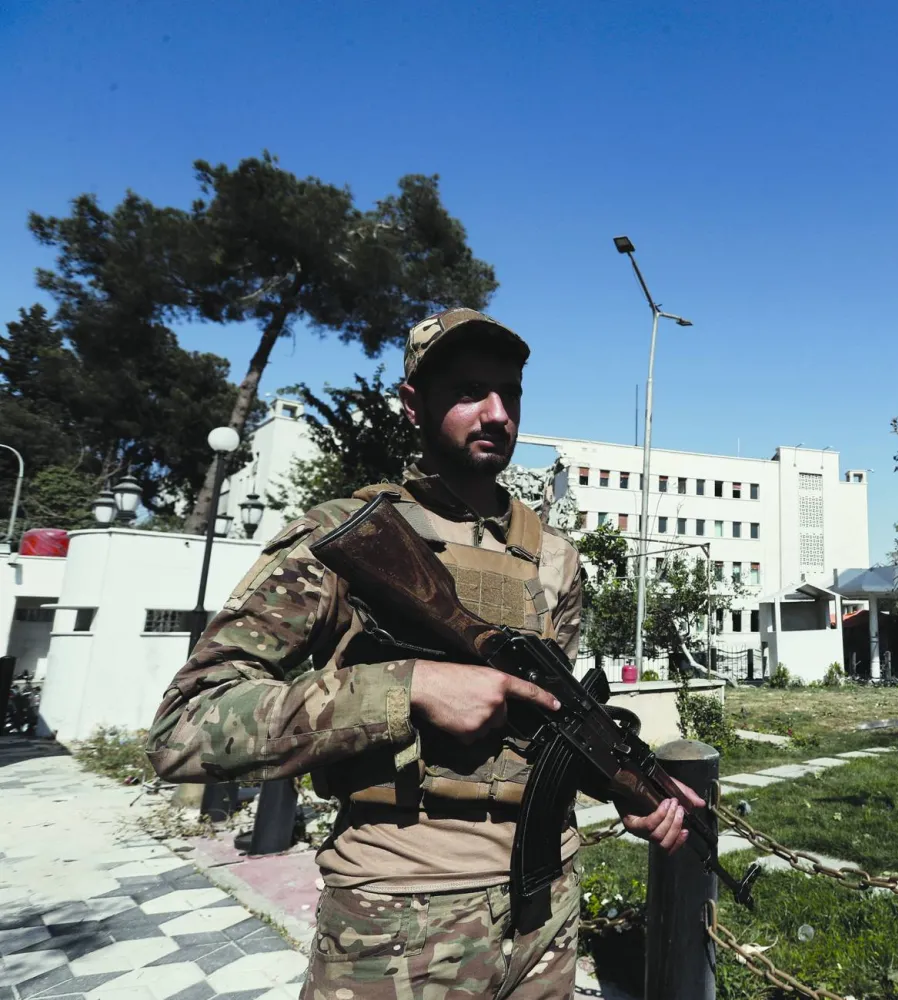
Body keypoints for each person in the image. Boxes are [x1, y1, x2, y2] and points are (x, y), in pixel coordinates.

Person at [146, 308, 701, 1000]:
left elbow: (545, 726)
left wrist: (622, 787)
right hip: (395, 920)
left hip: (546, 912)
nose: (497, 413)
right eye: (471, 391)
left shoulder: (556, 559)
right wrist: (404, 689)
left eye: (511, 393)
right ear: (413, 404)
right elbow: (185, 726)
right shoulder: (338, 538)